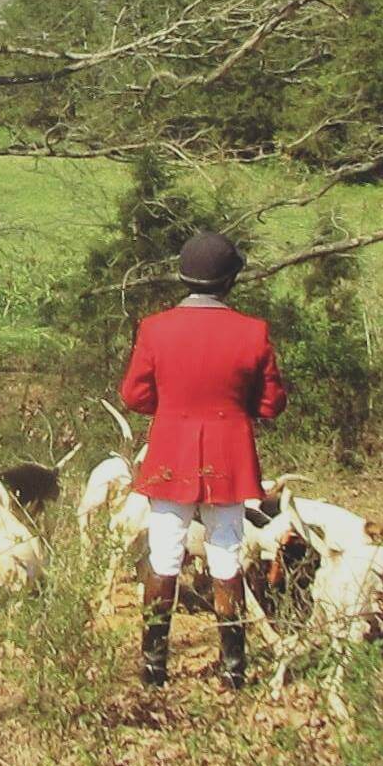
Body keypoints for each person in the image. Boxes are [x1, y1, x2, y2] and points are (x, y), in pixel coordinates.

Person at [119, 230, 286, 692]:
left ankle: (154, 670)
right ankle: (234, 672)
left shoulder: (155, 328)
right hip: (230, 458)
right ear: (230, 280)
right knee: (226, 557)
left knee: (164, 557)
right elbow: (272, 404)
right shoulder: (253, 332)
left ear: (183, 276)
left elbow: (133, 395)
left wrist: (173, 410)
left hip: (170, 453)